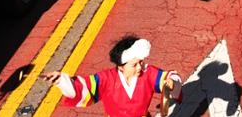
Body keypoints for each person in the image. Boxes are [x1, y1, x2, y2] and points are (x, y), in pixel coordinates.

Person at [44, 36, 183, 114]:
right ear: (121, 67)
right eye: (134, 65)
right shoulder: (106, 79)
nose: (139, 67)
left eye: (141, 62)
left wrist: (172, 81)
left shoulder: (147, 73)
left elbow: (169, 76)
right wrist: (61, 81)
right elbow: (83, 88)